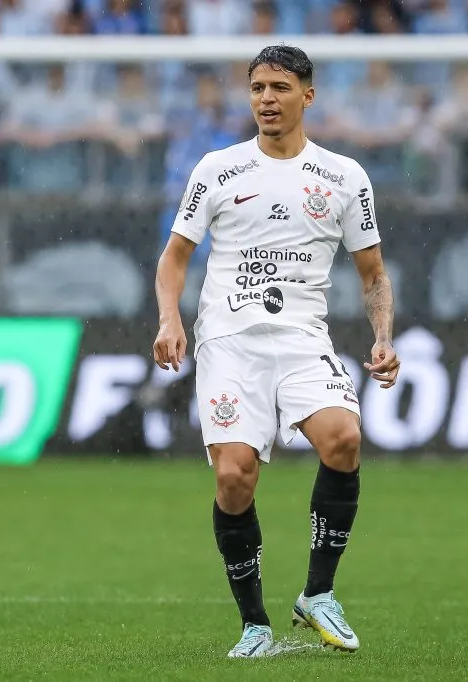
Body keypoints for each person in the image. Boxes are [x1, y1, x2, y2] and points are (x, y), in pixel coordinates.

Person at [152, 45, 399, 658]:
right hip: (229, 346)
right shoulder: (217, 170)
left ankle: (318, 594)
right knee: (235, 476)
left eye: (280, 88)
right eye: (258, 87)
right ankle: (255, 626)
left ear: (307, 96)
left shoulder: (344, 177)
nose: (267, 98)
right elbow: (174, 259)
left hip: (302, 340)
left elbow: (372, 273)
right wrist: (169, 322)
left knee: (343, 438)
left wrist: (384, 338)